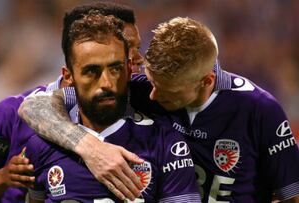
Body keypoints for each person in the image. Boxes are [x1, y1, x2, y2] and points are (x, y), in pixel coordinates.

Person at [19, 17, 299, 202]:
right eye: (152, 83)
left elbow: (292, 194)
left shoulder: (259, 110)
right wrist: (90, 148)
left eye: (168, 92)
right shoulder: (144, 90)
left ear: (206, 81)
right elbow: (35, 105)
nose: (152, 95)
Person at [0, 2, 145, 202]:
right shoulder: (10, 113)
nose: (138, 59)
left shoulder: (139, 108)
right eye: (128, 48)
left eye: (139, 47)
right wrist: (1, 178)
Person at [25, 11, 200, 203]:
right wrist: (90, 147)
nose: (107, 83)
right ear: (69, 77)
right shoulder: (42, 144)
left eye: (115, 69)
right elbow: (33, 104)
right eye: (92, 71)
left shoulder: (165, 142)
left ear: (128, 68)